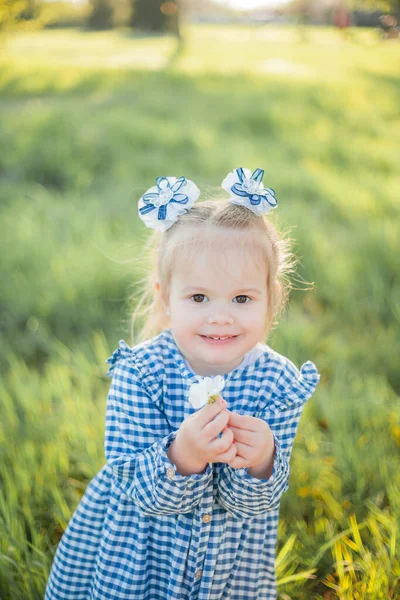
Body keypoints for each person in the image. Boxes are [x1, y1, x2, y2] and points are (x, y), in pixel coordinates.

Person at [45, 167, 321, 600]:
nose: (220, 315)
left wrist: (263, 461)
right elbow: (134, 485)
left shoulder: (277, 383)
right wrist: (183, 455)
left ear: (272, 298)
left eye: (242, 298)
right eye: (198, 297)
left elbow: (258, 504)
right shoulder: (142, 374)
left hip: (228, 567)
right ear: (165, 297)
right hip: (142, 559)